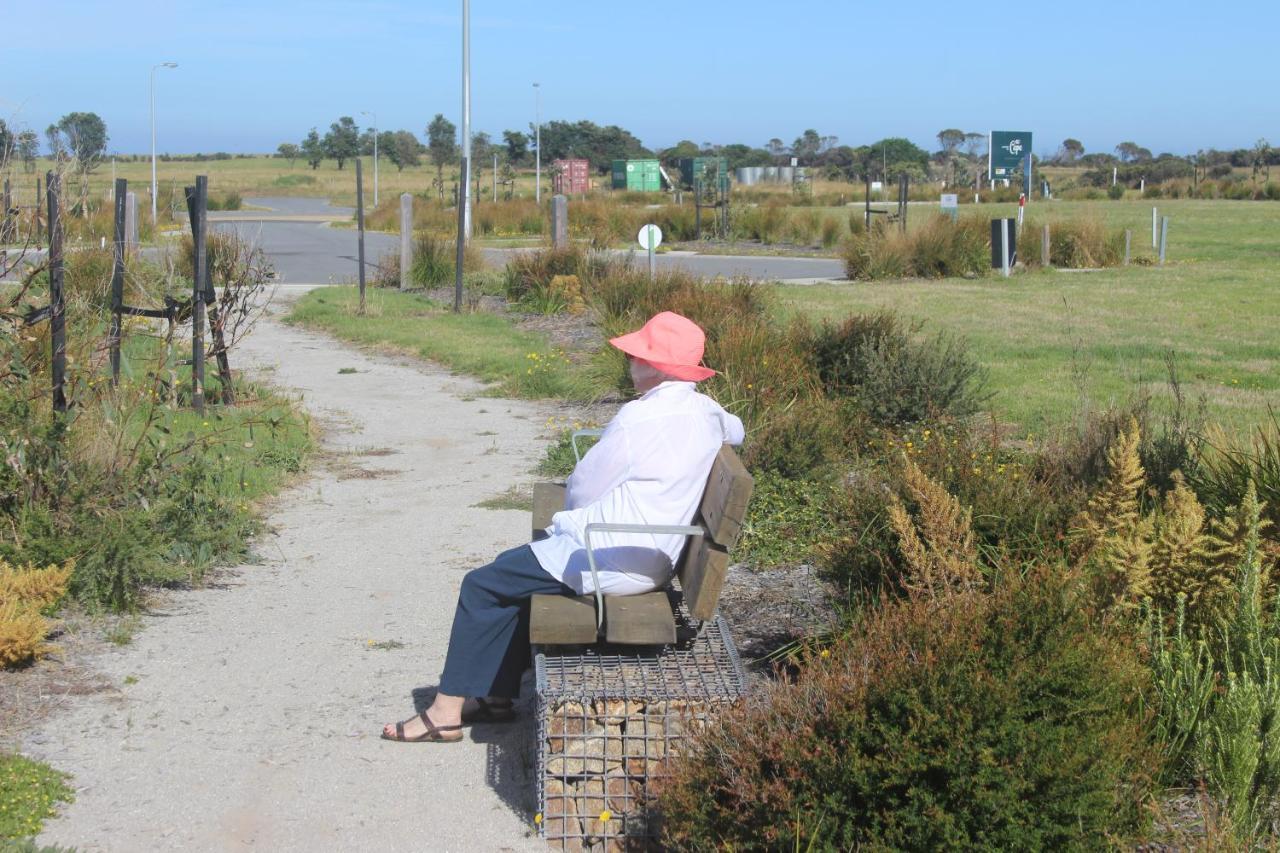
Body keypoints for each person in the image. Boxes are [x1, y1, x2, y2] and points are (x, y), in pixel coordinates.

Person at [382, 311, 745, 743]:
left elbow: (584, 490)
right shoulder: (706, 411)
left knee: (481, 584)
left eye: (638, 354)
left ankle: (444, 713)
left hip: (608, 553)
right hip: (655, 555)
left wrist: (568, 514)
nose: (629, 360)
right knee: (507, 572)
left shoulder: (638, 419)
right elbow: (735, 430)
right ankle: (495, 697)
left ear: (657, 367)